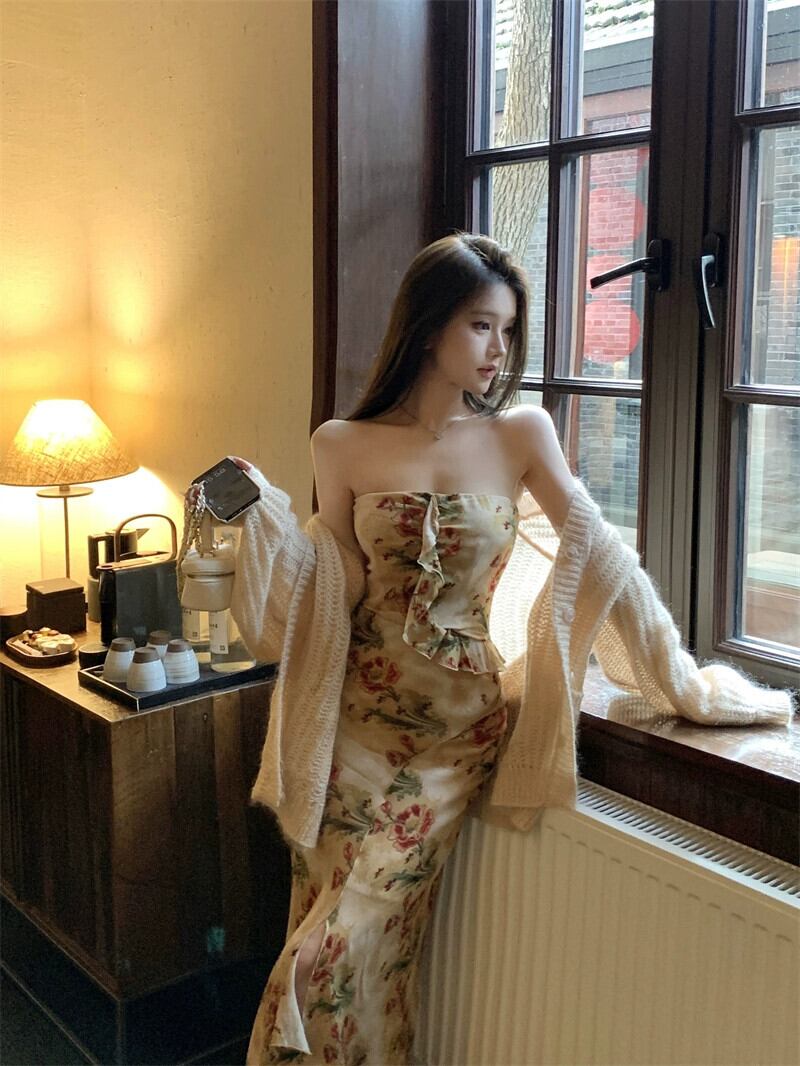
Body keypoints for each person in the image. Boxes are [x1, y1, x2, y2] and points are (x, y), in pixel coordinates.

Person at [216, 232, 793, 1066]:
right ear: (427, 327)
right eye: (481, 325)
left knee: (334, 947)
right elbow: (331, 585)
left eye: (508, 330)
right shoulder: (340, 442)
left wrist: (681, 681)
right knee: (355, 938)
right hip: (351, 730)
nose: (499, 349)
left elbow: (601, 557)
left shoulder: (521, 434)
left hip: (456, 736)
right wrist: (265, 518)